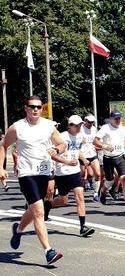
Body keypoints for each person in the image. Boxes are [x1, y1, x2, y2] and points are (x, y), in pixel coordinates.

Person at [0, 95, 64, 264]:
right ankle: (48, 251)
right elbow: (3, 146)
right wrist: (1, 167)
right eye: (32, 106)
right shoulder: (17, 127)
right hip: (26, 174)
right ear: (26, 108)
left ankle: (18, 230)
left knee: (35, 208)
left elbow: (62, 144)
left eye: (38, 106)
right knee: (39, 212)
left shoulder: (48, 126)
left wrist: (57, 150)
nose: (35, 109)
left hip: (43, 173)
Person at [48, 115, 95, 237]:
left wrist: (84, 159)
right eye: (75, 125)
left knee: (80, 196)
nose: (78, 127)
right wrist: (67, 162)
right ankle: (47, 205)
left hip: (74, 171)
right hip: (62, 173)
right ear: (69, 125)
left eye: (80, 125)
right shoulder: (62, 137)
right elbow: (53, 155)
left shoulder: (79, 136)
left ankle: (83, 227)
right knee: (63, 200)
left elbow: (77, 150)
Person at [93, 110, 125, 216]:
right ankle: (103, 191)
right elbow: (95, 141)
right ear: (111, 119)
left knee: (124, 180)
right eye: (115, 118)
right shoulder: (105, 128)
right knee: (110, 181)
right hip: (108, 157)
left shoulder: (122, 128)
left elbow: (124, 142)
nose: (118, 120)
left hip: (120, 157)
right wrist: (105, 146)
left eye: (119, 118)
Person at [81, 114, 101, 201]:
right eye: (89, 122)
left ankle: (96, 193)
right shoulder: (80, 128)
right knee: (85, 175)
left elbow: (97, 140)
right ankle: (79, 191)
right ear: (85, 120)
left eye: (92, 122)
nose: (90, 124)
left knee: (98, 174)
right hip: (82, 155)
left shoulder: (94, 129)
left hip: (92, 154)